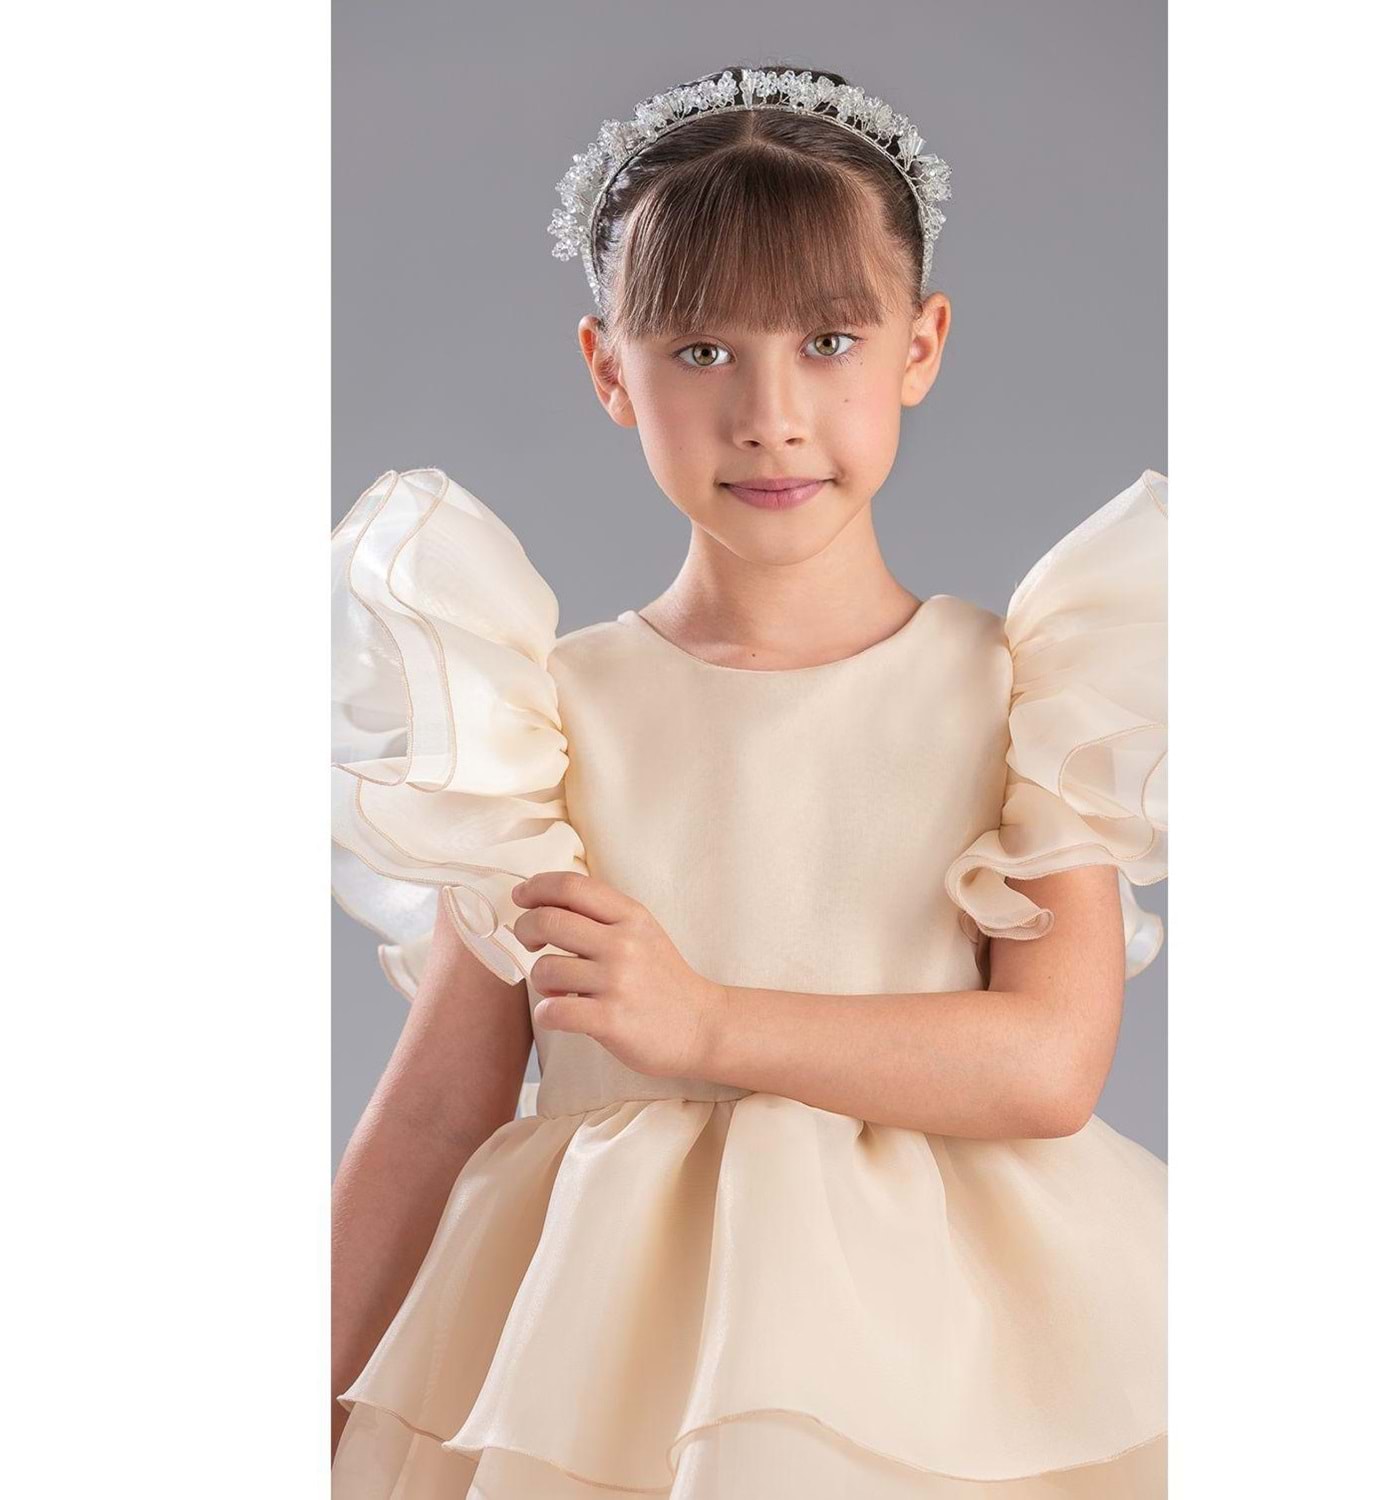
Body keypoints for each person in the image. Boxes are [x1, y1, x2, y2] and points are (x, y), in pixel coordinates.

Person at [331, 61, 1167, 1498]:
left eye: (830, 341)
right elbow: (431, 1114)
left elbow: (1047, 1064)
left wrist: (706, 1021)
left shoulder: (1021, 700)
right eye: (703, 350)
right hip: (609, 1374)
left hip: (950, 1366)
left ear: (921, 344)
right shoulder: (542, 726)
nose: (772, 414)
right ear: (610, 369)